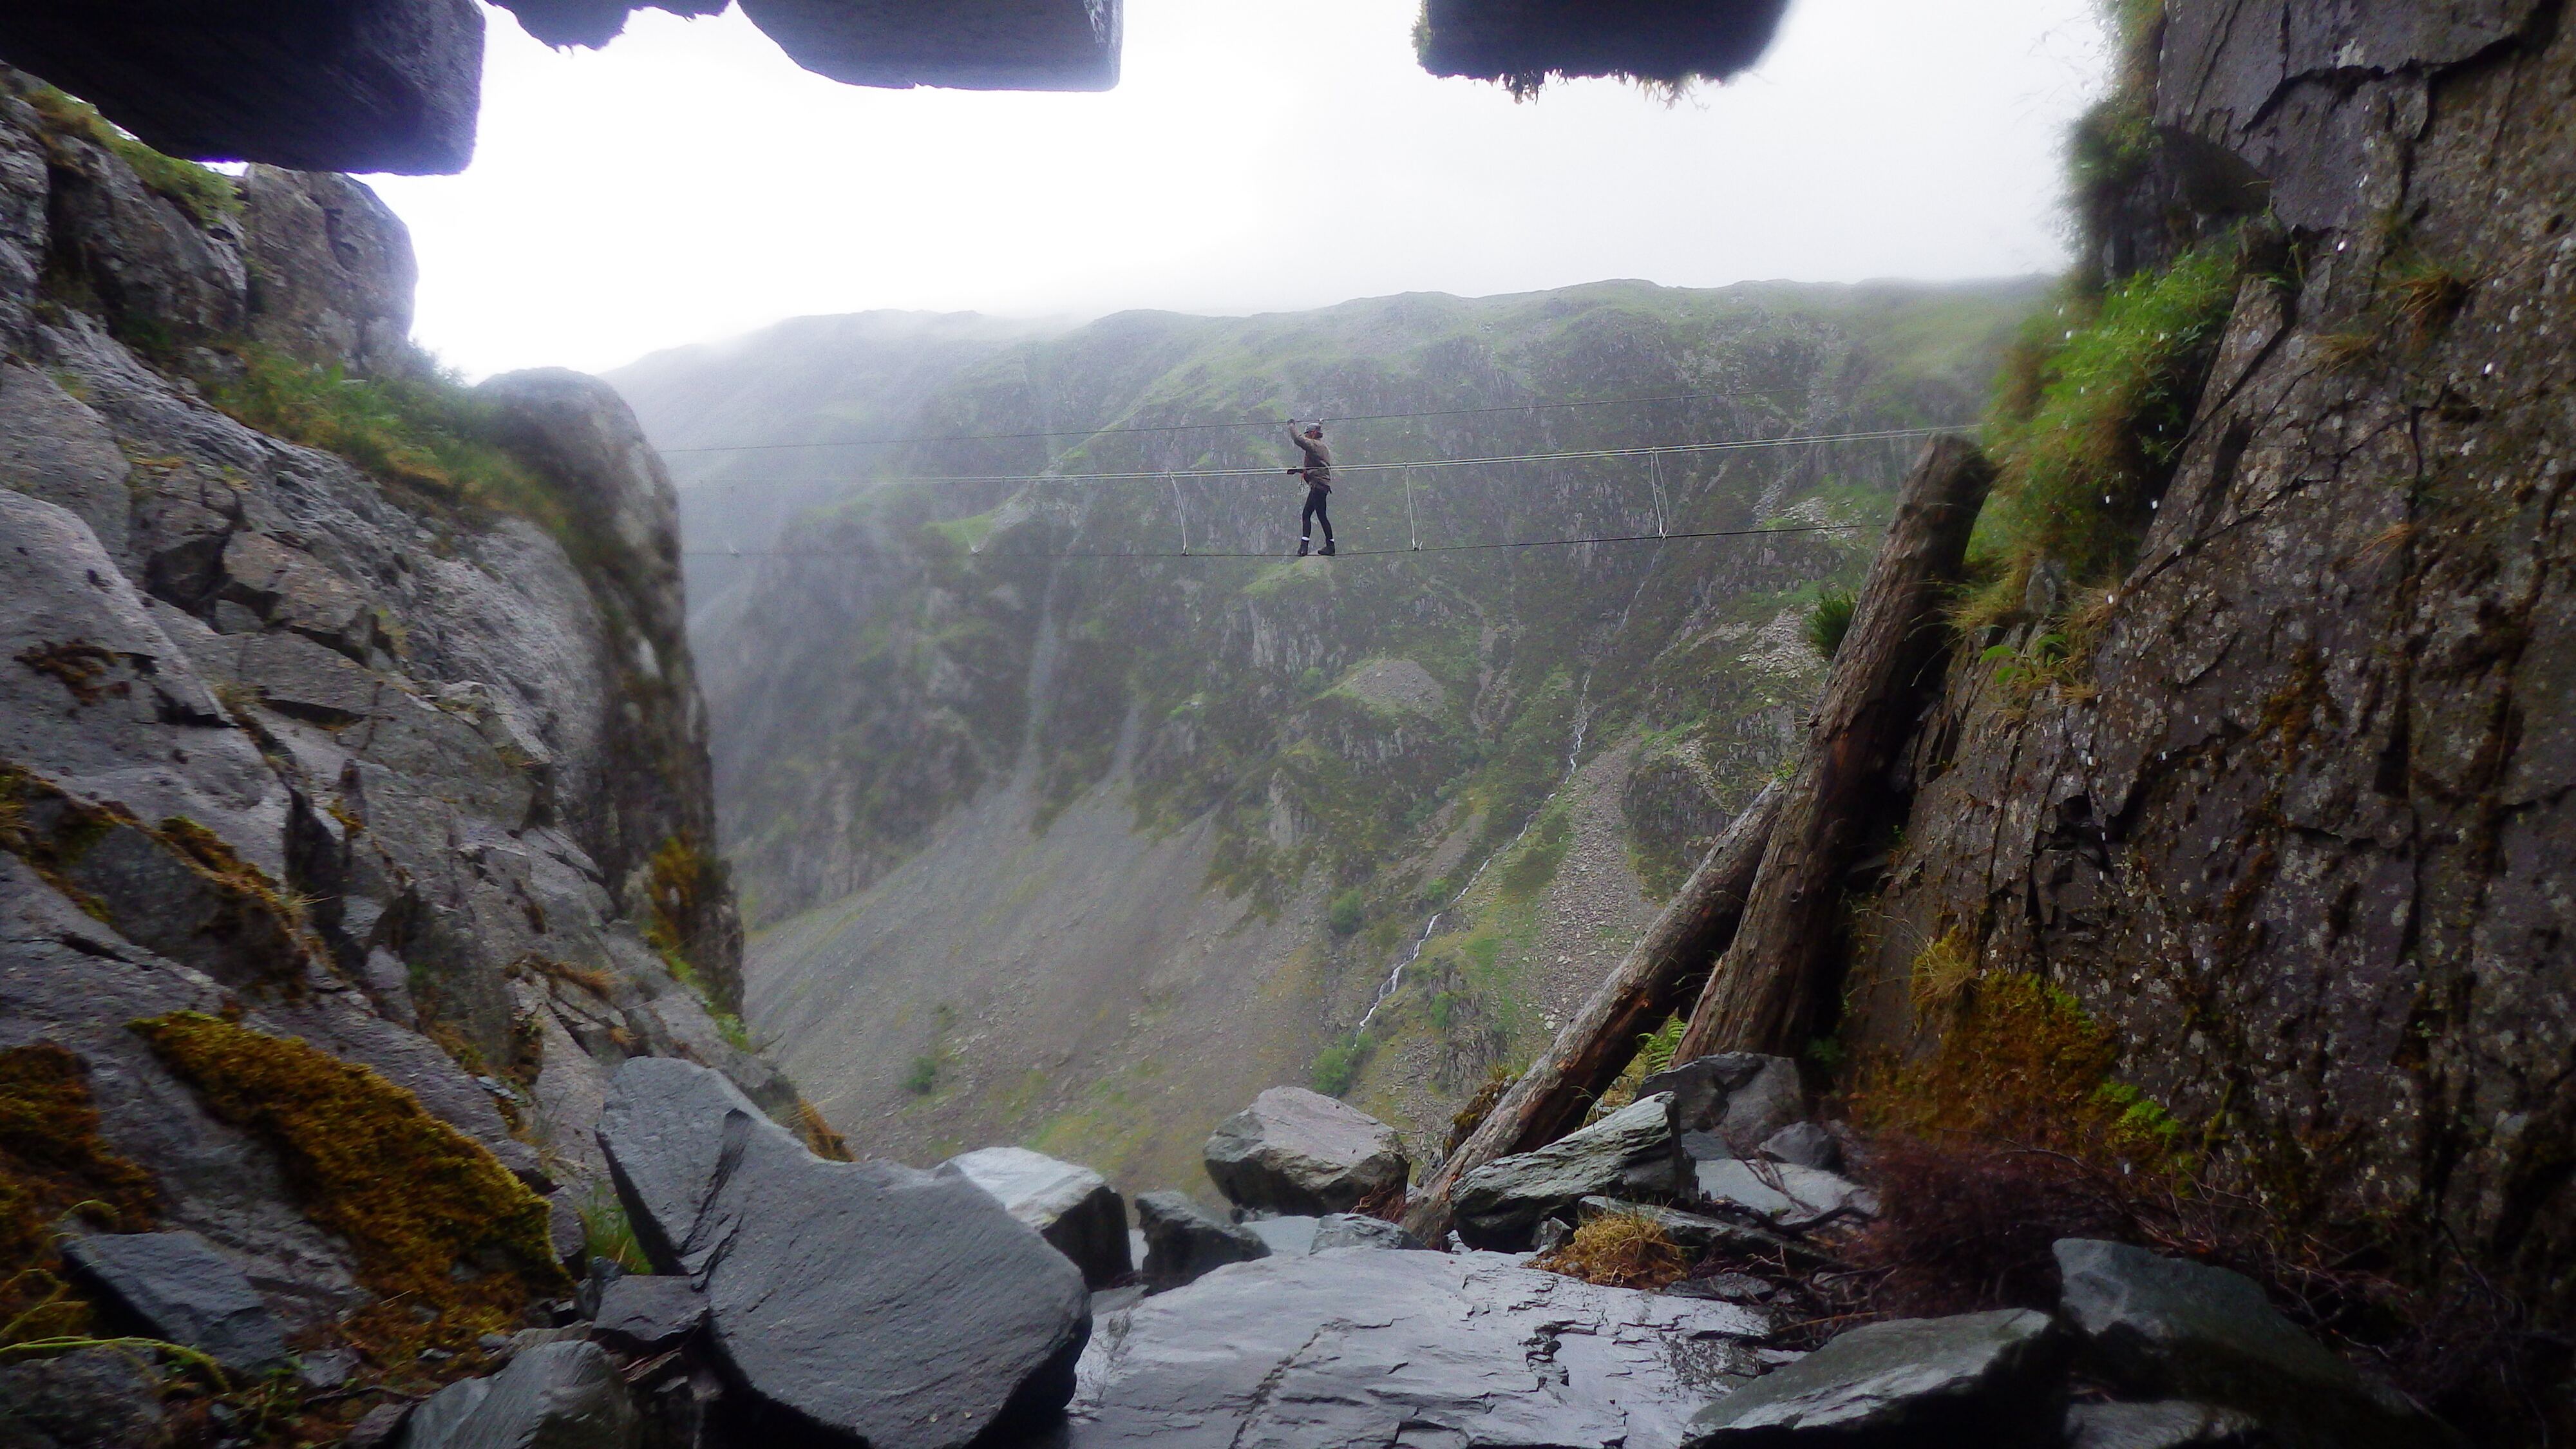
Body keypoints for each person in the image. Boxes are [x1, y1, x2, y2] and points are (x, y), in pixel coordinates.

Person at [1285, 419, 1336, 556]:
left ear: (1313, 433)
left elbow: (1298, 440)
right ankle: (1328, 546)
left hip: (1319, 485)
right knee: (1318, 515)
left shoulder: (1315, 445)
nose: (1306, 436)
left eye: (1307, 434)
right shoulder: (1322, 447)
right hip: (1321, 485)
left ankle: (1305, 548)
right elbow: (1316, 468)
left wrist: (1291, 425)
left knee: (1310, 514)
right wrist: (1298, 471)